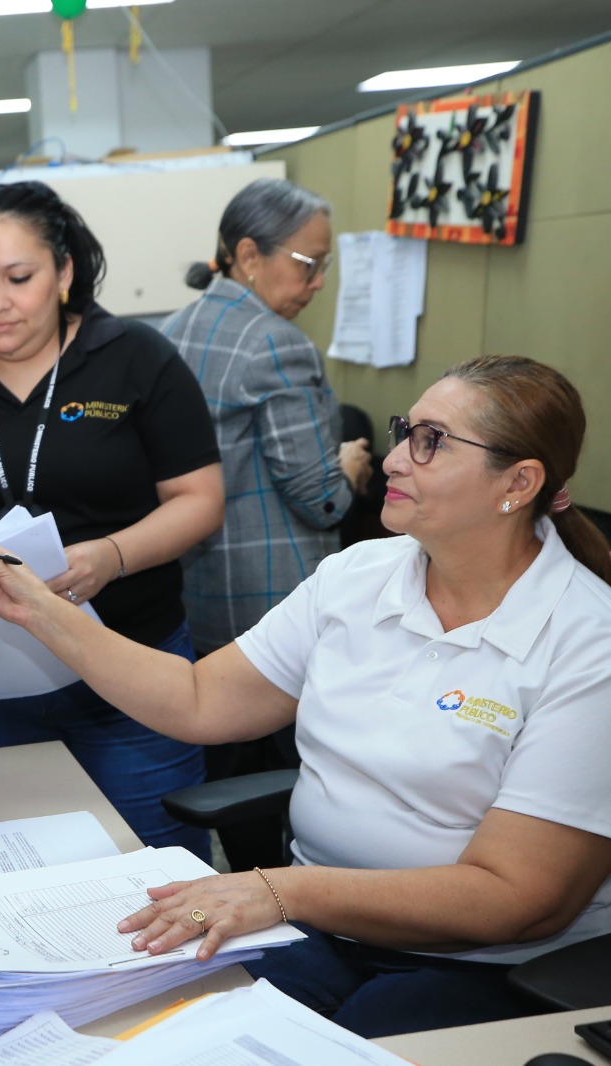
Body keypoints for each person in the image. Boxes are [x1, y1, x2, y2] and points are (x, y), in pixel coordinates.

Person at [0, 355, 611, 1038]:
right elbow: (199, 699)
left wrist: (284, 891)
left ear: (517, 483)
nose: (392, 459)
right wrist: (42, 612)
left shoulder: (596, 655)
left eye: (431, 442)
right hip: (324, 930)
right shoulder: (359, 577)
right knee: (132, 1022)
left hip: (497, 965)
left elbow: (515, 900)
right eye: (404, 433)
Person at [0, 181, 226, 861]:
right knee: (19, 873)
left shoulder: (136, 359)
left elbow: (199, 498)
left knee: (158, 870)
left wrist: (110, 557)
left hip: (130, 673)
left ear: (64, 273)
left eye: (18, 278)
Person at [161, 177, 374, 871]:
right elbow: (320, 499)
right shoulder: (278, 345)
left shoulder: (171, 332)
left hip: (201, 599)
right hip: (281, 605)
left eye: (325, 266)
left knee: (232, 779)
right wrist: (348, 465)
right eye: (308, 264)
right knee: (314, 788)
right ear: (248, 255)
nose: (318, 283)